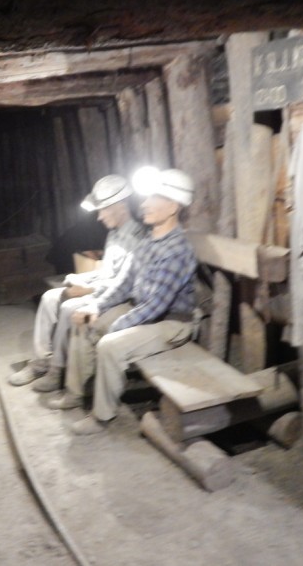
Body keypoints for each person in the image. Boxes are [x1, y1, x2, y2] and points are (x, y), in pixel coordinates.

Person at [48, 167, 198, 435]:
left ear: (173, 207)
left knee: (110, 344)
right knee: (85, 322)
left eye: (153, 198)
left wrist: (115, 327)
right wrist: (96, 306)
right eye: (146, 197)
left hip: (171, 323)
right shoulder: (148, 240)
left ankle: (102, 416)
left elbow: (156, 305)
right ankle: (75, 393)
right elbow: (124, 283)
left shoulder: (177, 250)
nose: (144, 204)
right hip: (142, 311)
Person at [8, 174, 144, 391]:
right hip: (104, 288)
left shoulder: (137, 238)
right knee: (49, 297)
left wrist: (88, 288)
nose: (99, 217)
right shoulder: (115, 234)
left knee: (69, 307)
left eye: (103, 210)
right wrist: (79, 279)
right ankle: (42, 362)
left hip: (118, 298)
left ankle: (57, 371)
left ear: (120, 206)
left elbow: (125, 285)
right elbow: (107, 272)